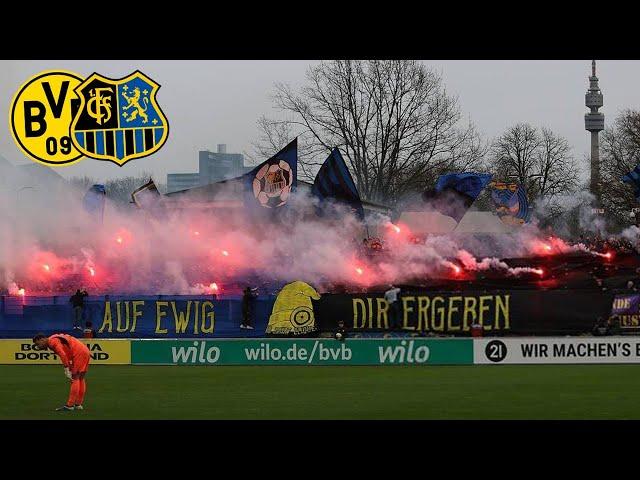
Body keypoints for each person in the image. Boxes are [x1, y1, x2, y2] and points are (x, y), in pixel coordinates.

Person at [32, 333, 91, 411]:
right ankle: (78, 404)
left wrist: (66, 368)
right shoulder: (53, 339)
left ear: (42, 339)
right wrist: (68, 366)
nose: (38, 347)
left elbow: (62, 354)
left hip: (78, 353)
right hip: (84, 350)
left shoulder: (52, 342)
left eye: (38, 344)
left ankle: (70, 405)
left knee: (75, 378)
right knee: (81, 378)